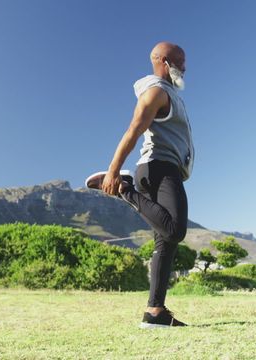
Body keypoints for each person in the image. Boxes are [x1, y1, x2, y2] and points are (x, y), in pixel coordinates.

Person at [85, 41, 194, 328]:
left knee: (165, 242)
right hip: (158, 169)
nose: (185, 66)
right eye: (179, 60)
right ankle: (125, 190)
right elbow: (134, 130)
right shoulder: (155, 91)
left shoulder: (169, 92)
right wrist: (114, 172)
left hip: (163, 170)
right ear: (163, 61)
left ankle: (155, 312)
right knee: (175, 230)